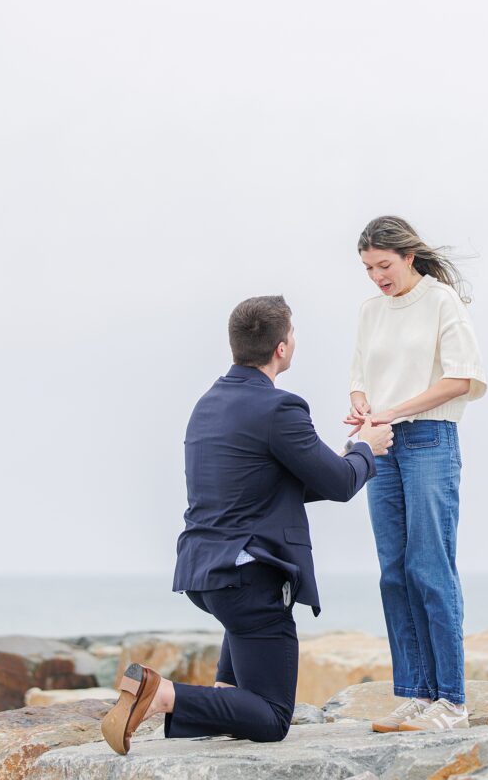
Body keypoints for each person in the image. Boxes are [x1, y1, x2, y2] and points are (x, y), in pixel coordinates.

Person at [101, 295, 392, 755]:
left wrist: (336, 460)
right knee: (274, 717)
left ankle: (214, 699)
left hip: (206, 571)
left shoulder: (209, 403)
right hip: (248, 578)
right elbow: (338, 485)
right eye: (293, 333)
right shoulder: (279, 408)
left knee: (233, 696)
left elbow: (269, 485)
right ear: (281, 348)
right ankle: (161, 694)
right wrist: (366, 448)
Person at [344, 216, 487, 734]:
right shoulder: (369, 312)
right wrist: (362, 405)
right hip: (380, 446)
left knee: (430, 566)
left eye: (384, 265)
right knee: (394, 571)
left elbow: (462, 379)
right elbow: (360, 379)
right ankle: (417, 693)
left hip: (429, 439)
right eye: (367, 268)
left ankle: (451, 700)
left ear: (408, 257)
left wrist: (393, 409)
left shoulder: (441, 302)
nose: (377, 276)